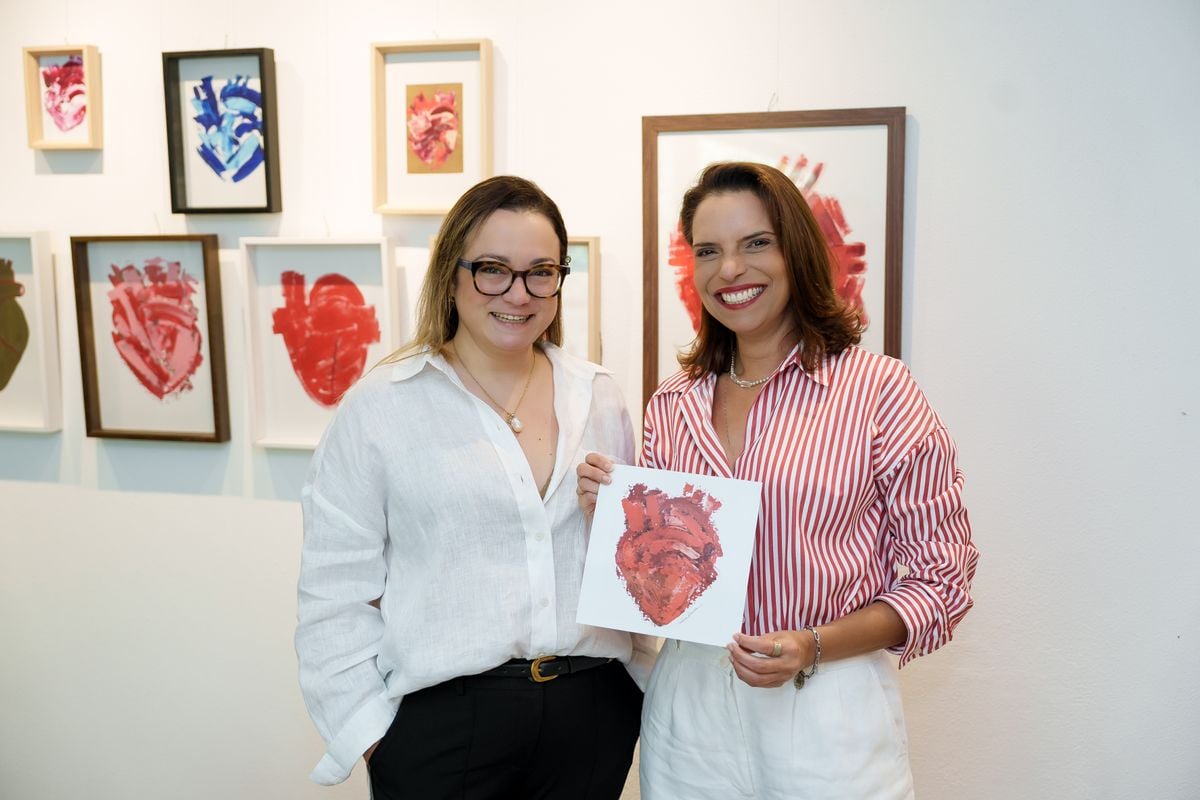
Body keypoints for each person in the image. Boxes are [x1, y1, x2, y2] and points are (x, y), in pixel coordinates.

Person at [577, 161, 979, 799]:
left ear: (796, 250)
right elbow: (666, 589)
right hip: (691, 712)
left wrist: (812, 645)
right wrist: (622, 524)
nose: (729, 270)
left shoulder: (878, 391)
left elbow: (941, 583)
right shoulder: (672, 405)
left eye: (755, 244)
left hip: (827, 702)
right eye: (708, 251)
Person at [296, 175, 653, 798]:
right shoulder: (383, 406)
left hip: (591, 713)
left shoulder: (598, 395)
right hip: (445, 728)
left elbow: (627, 570)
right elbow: (333, 588)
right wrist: (377, 739)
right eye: (493, 269)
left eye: (541, 271)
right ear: (451, 275)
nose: (519, 293)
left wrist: (620, 525)